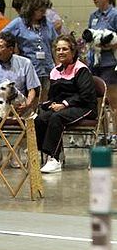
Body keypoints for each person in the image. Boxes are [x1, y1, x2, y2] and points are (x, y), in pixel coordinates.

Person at [0, 32, 40, 169]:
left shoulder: (25, 63)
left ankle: (16, 150)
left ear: (11, 49)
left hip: (19, 106)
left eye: (0, 47)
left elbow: (33, 88)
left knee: (37, 121)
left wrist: (28, 104)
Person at [35, 34, 97, 173]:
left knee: (56, 118)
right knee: (40, 119)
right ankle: (50, 154)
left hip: (84, 107)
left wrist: (64, 104)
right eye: (58, 49)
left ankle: (54, 159)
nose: (61, 52)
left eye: (64, 49)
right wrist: (50, 104)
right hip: (64, 107)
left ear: (73, 51)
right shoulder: (55, 71)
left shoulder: (81, 69)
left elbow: (85, 95)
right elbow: (53, 96)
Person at [2, 0, 57, 102]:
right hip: (29, 68)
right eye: (40, 10)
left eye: (44, 10)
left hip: (47, 68)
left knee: (46, 99)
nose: (43, 13)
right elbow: (3, 36)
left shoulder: (47, 24)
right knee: (30, 99)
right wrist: (13, 53)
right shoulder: (19, 22)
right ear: (32, 9)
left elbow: (55, 43)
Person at [87, 0, 117, 143]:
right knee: (98, 102)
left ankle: (115, 135)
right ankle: (103, 134)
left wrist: (106, 44)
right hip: (95, 63)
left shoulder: (115, 14)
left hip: (110, 63)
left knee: (113, 101)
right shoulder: (93, 16)